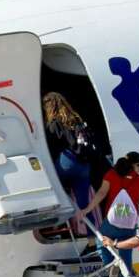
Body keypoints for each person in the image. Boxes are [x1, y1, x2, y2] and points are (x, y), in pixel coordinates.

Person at [79, 152, 139, 277]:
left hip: (112, 221)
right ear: (135, 165)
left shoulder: (111, 174)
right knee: (126, 255)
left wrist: (87, 209)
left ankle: (111, 264)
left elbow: (101, 193)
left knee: (101, 242)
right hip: (129, 224)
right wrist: (136, 199)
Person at [43, 92, 95, 220]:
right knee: (84, 206)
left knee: (54, 191)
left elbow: (51, 147)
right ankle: (92, 239)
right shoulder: (77, 119)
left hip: (67, 161)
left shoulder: (54, 123)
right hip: (84, 165)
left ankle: (57, 223)